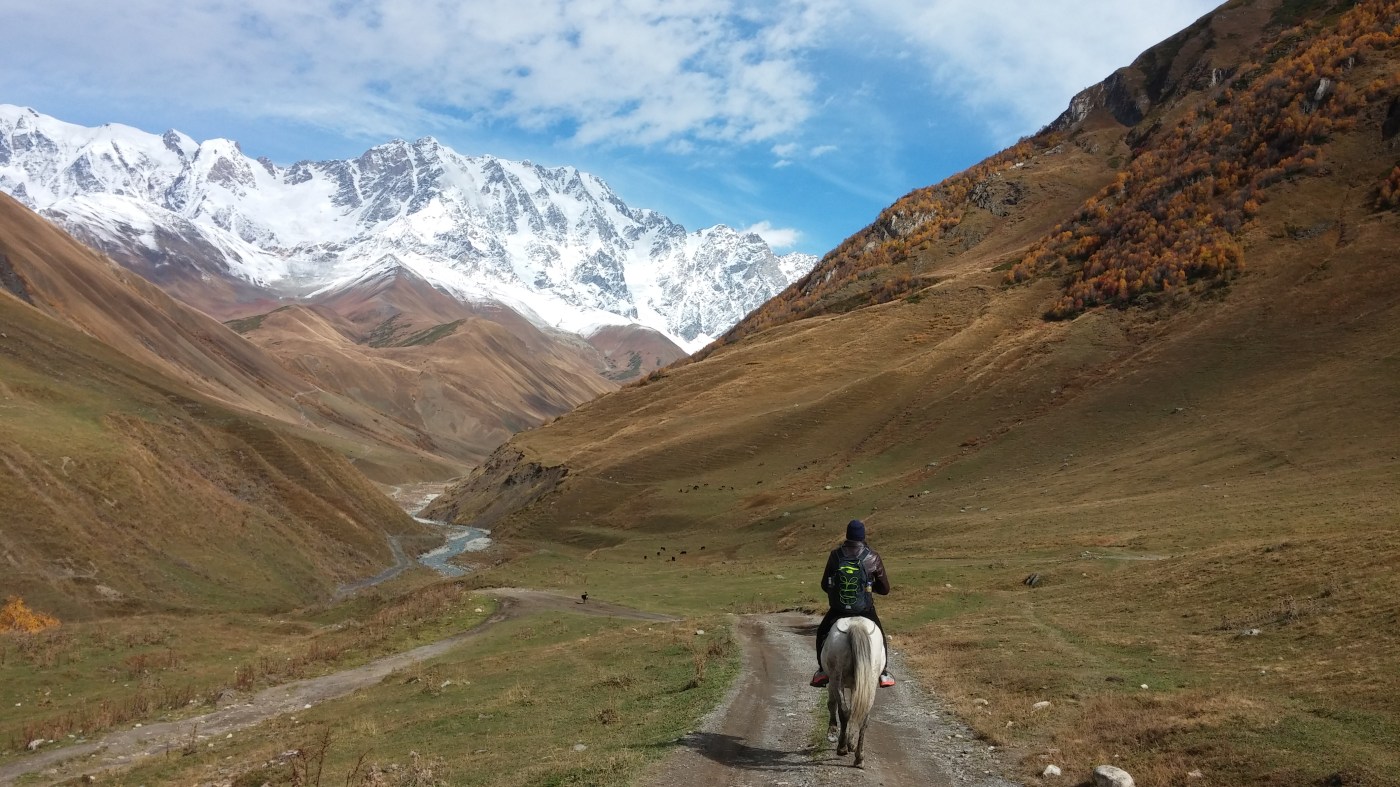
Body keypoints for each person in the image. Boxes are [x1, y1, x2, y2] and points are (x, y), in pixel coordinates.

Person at [811, 519, 895, 688]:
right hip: (864, 609)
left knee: (822, 632)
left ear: (847, 535)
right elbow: (885, 589)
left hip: (838, 610)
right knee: (880, 634)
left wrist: (838, 593)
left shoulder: (835, 555)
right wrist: (867, 589)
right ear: (863, 536)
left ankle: (822, 671)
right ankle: (883, 672)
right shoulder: (872, 556)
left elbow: (824, 585)